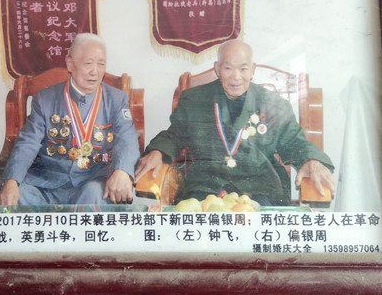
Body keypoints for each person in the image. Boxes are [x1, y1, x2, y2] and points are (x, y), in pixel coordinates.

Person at [135, 39, 336, 206]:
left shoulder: (274, 104)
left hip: (259, 189)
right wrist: (158, 151)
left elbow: (294, 142)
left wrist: (312, 160)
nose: (236, 77)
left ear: (252, 70)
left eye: (243, 68)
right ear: (217, 69)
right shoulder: (194, 99)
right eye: (228, 68)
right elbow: (175, 135)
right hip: (205, 188)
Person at [0, 33, 140, 206]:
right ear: (70, 64)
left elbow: (127, 137)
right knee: (17, 196)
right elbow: (28, 143)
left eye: (101, 64)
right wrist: (11, 180)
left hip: (93, 181)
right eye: (88, 63)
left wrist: (122, 170)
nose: (95, 71)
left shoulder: (116, 99)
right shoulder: (45, 99)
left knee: (95, 196)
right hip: (48, 183)